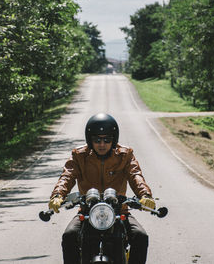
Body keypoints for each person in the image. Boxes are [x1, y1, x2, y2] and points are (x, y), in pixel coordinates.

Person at [48, 113, 156, 264]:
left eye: (107, 139)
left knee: (140, 237)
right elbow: (67, 176)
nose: (102, 144)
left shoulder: (125, 155)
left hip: (119, 211)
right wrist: (58, 195)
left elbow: (135, 175)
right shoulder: (79, 156)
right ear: (90, 140)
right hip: (87, 211)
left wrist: (145, 195)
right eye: (97, 139)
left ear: (114, 139)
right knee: (69, 236)